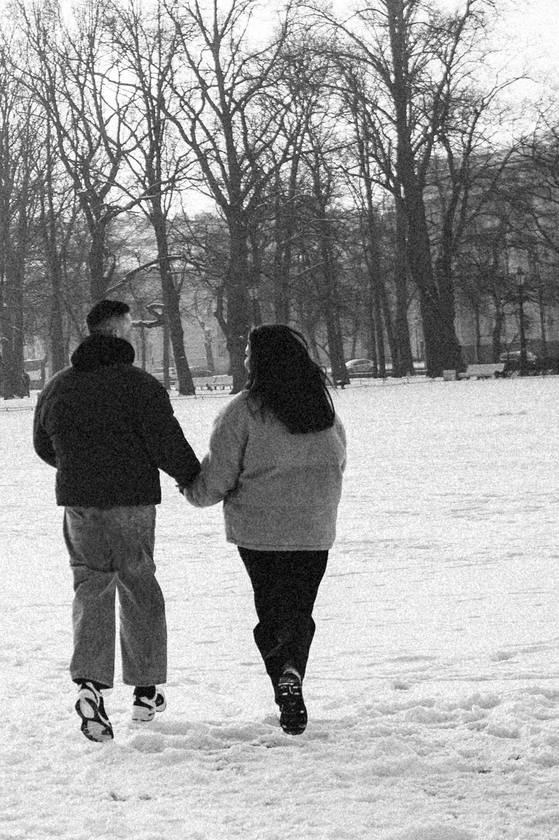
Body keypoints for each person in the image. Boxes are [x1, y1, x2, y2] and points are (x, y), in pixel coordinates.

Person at [33, 298, 203, 742]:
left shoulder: (59, 386)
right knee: (138, 583)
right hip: (132, 500)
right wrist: (192, 480)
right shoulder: (140, 386)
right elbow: (166, 440)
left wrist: (78, 467)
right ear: (120, 329)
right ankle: (145, 688)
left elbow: (43, 443)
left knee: (91, 585)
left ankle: (90, 683)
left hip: (81, 502)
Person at [182, 324, 346, 735]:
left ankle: (284, 677)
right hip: (314, 528)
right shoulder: (323, 409)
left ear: (261, 360)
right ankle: (293, 671)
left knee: (272, 611)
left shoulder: (244, 411)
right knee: (299, 610)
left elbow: (216, 478)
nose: (243, 360)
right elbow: (338, 461)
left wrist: (191, 488)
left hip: (261, 532)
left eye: (247, 353)